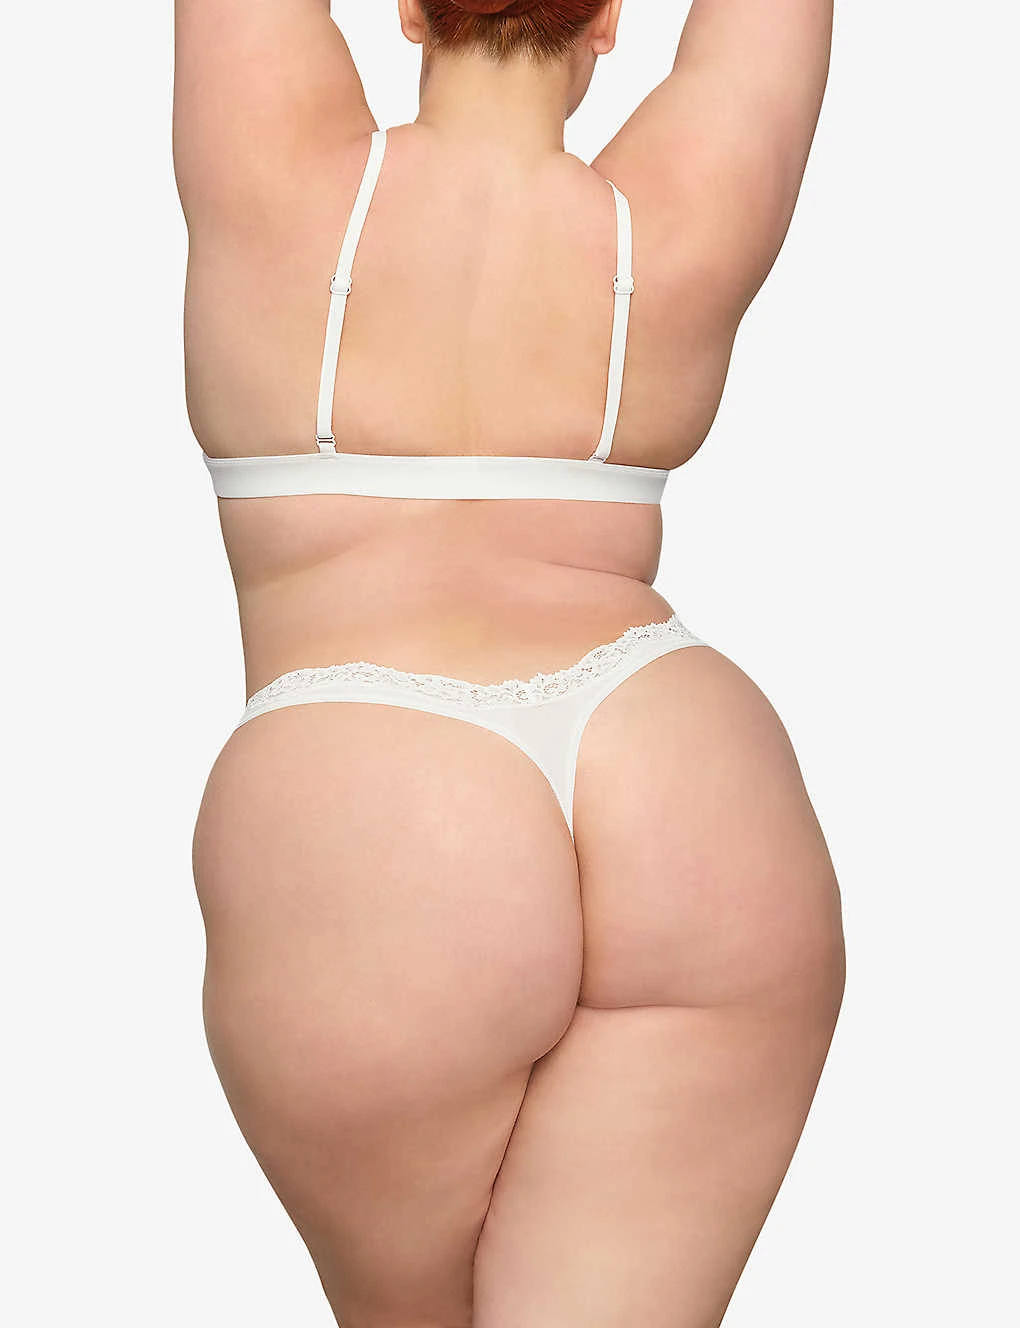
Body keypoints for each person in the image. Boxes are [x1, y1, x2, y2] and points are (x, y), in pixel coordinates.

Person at [173, 1, 845, 1324]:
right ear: (609, 22)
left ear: (408, 11)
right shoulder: (676, 217)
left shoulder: (279, 170)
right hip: (685, 767)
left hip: (380, 791)